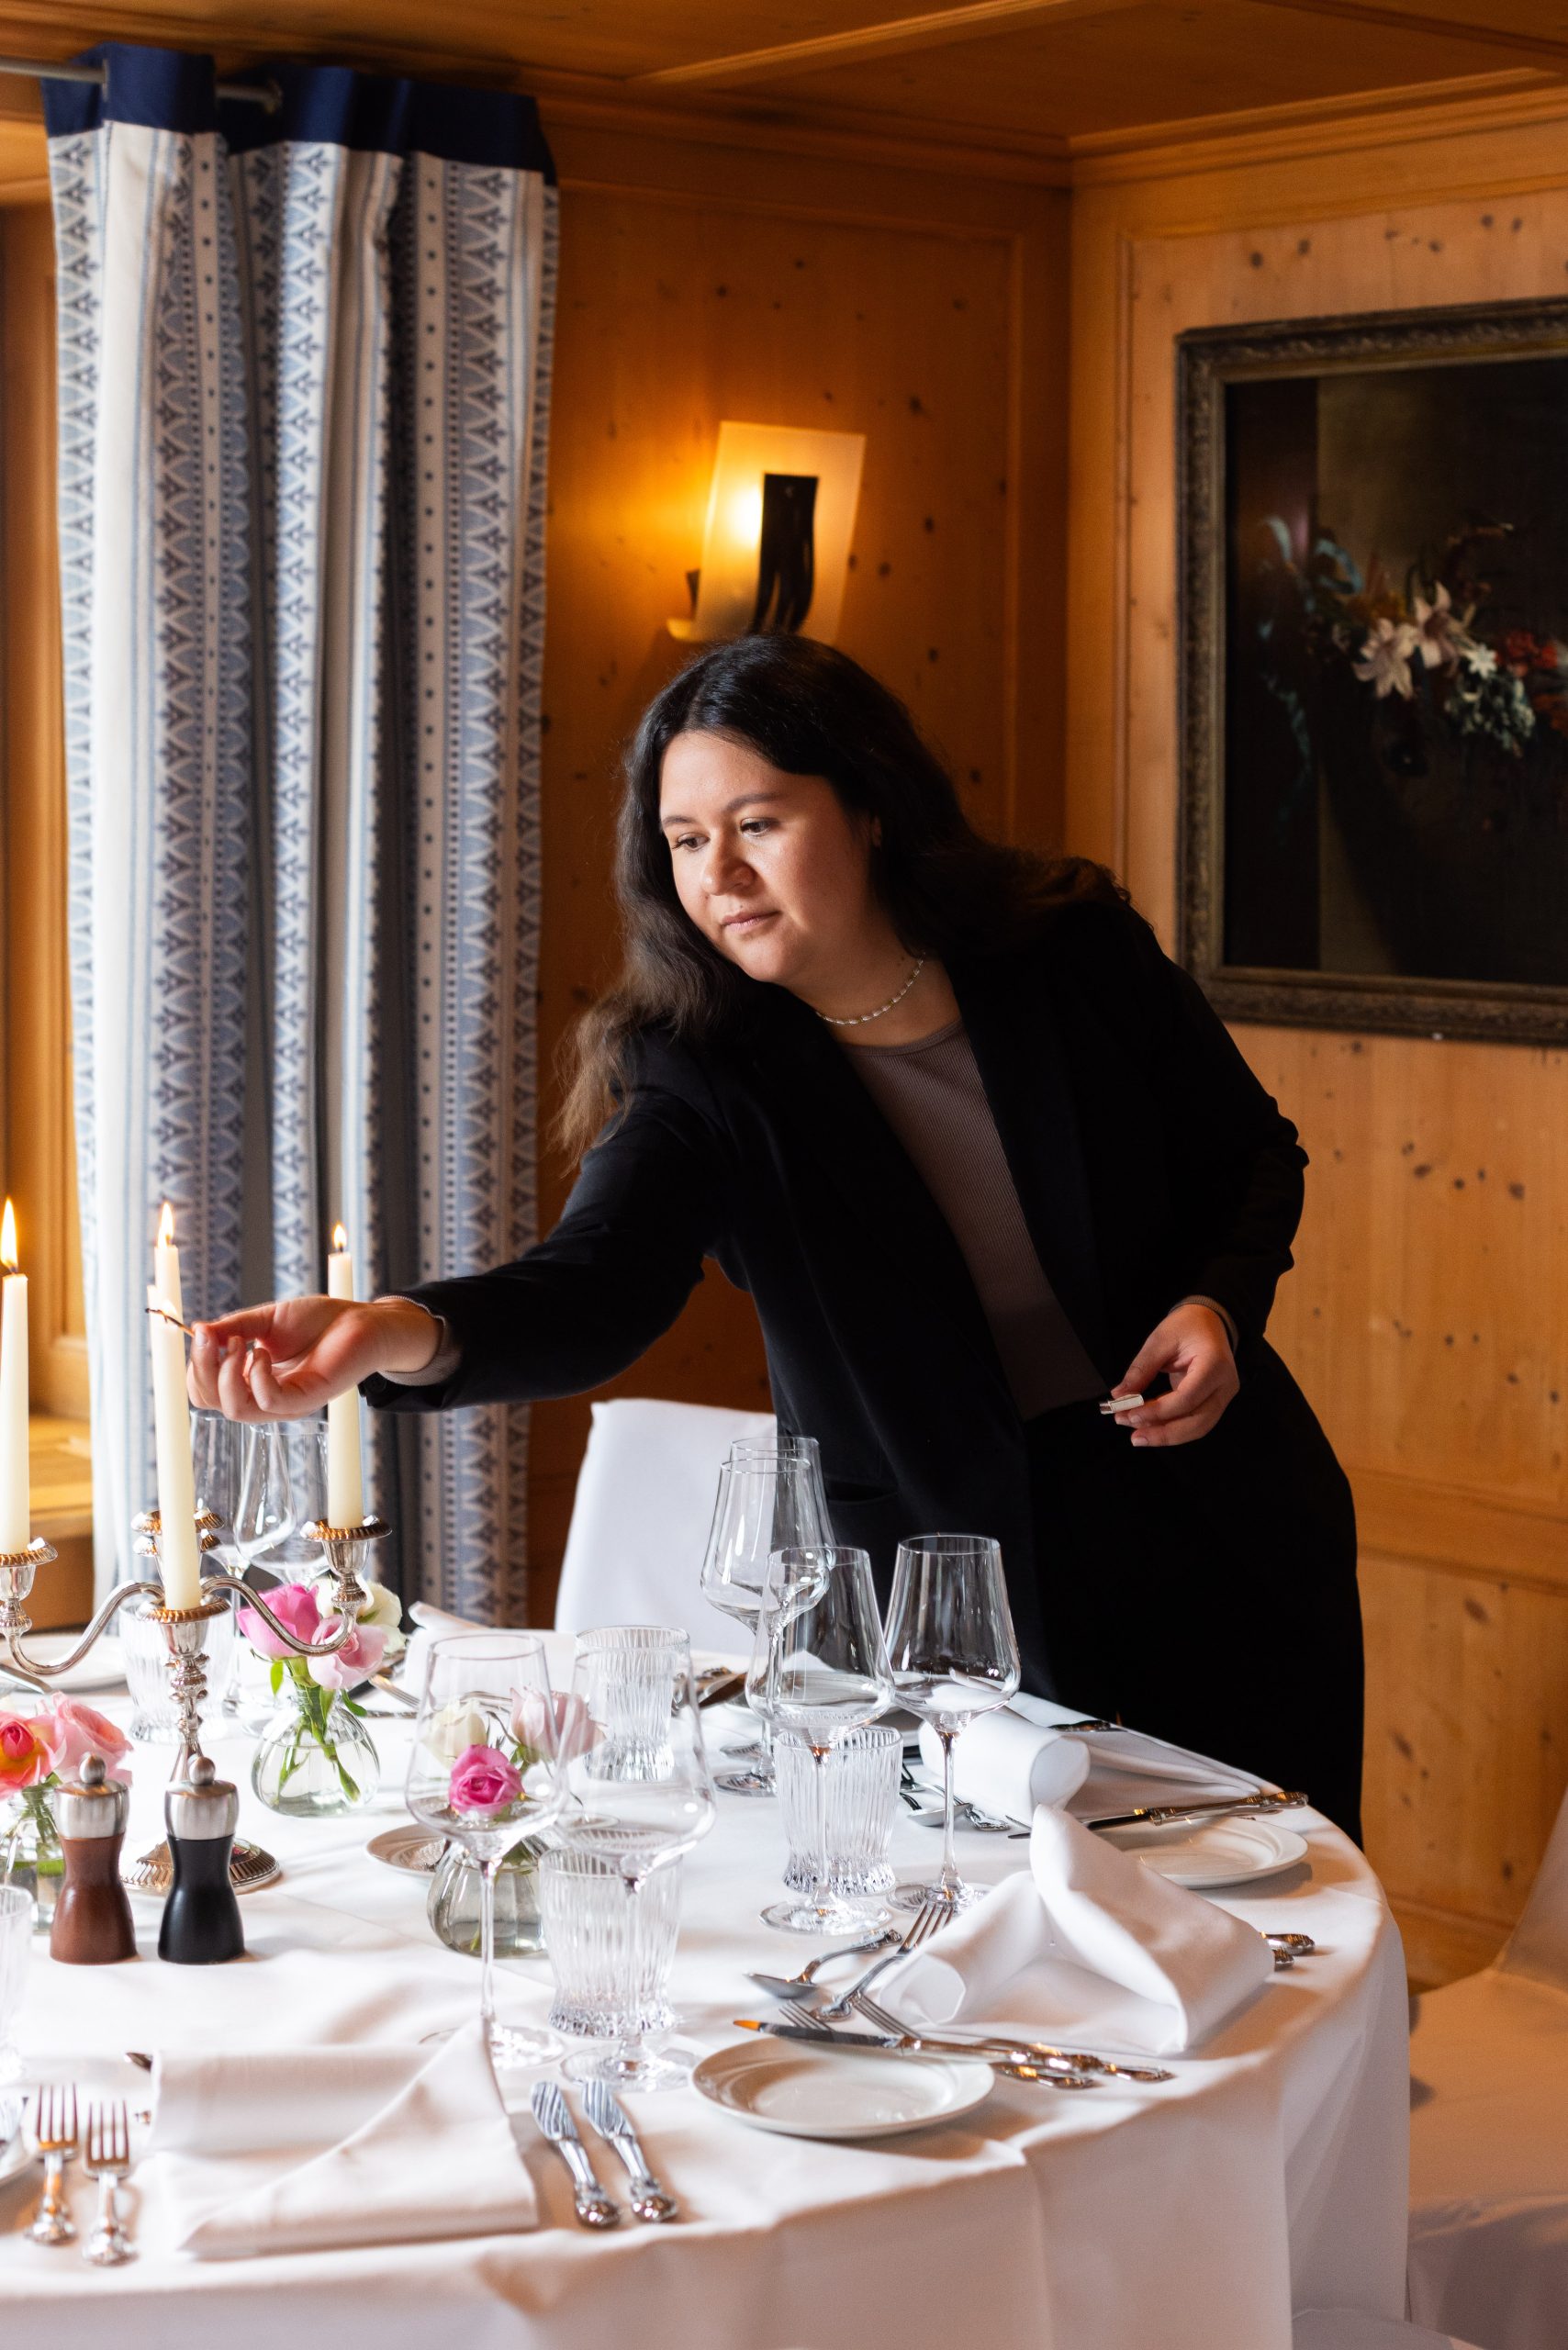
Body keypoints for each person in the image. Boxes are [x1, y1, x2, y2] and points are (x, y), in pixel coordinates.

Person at [189, 634, 1363, 1838]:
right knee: (1018, 1969)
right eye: (687, 842)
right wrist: (392, 1330)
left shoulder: (1069, 947)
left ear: (868, 808)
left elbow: (1250, 1152)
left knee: (1284, 1937)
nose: (720, 875)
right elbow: (592, 1289)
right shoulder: (701, 1072)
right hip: (946, 1605)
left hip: (1225, 1530)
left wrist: (1221, 1302)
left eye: (757, 823)